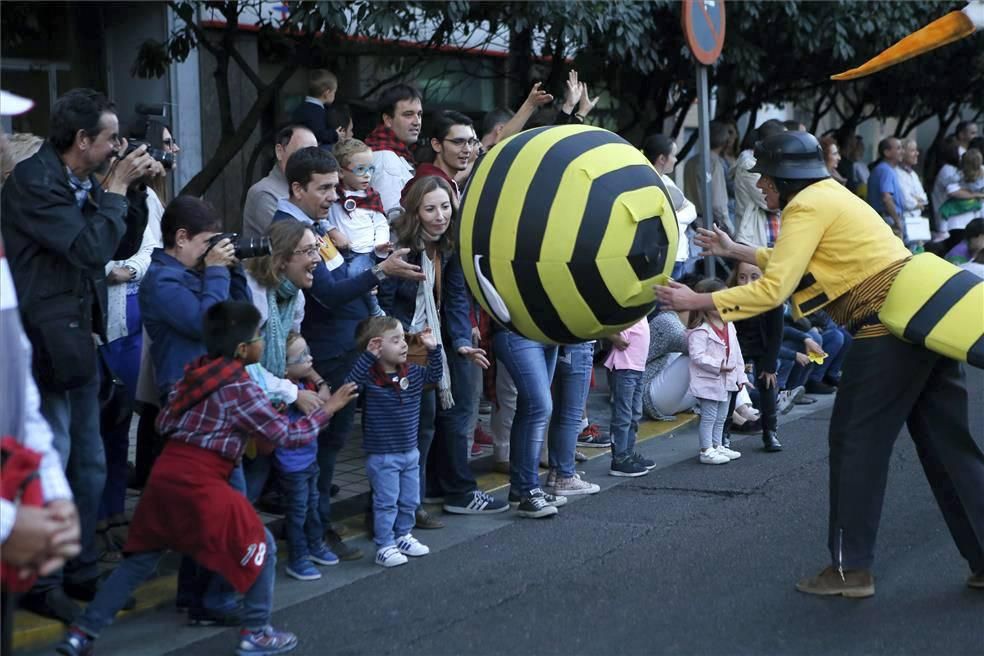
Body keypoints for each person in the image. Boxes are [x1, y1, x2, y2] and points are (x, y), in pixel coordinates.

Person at [655, 130, 984, 596]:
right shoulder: (830, 194)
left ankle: (850, 572)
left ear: (786, 178)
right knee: (949, 444)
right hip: (924, 311)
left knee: (854, 442)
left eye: (765, 177)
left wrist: (697, 298)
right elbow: (799, 261)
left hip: (886, 328)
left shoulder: (804, 206)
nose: (762, 186)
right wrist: (736, 250)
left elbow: (776, 288)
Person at [55, 301, 358, 656]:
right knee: (262, 546)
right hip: (203, 480)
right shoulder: (239, 388)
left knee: (139, 560)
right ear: (243, 349)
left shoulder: (196, 371)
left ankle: (81, 634)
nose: (263, 340)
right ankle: (257, 631)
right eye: (258, 336)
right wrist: (330, 408)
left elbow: (163, 422)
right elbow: (288, 436)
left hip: (166, 475)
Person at [1, 88, 156, 622]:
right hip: (42, 342)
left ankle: (82, 570)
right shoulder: (33, 183)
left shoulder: (84, 179)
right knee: (55, 460)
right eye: (110, 139)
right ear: (83, 140)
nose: (118, 147)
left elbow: (117, 244)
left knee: (88, 465)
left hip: (78, 338)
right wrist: (113, 188)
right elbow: (87, 249)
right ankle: (45, 583)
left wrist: (131, 192)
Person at [270, 146, 425, 560]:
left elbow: (339, 273)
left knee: (330, 448)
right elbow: (330, 293)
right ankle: (311, 534)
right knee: (320, 449)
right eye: (324, 189)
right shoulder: (289, 228)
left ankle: (315, 528)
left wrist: (372, 264)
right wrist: (380, 271)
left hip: (342, 347)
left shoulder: (313, 226)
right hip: (325, 351)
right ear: (298, 187)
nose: (333, 197)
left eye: (335, 187)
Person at [140, 195, 259, 623]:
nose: (213, 250)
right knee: (228, 501)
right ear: (181, 238)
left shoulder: (197, 271)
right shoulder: (162, 281)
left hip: (215, 396)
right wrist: (213, 272)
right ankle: (215, 601)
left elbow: (241, 321)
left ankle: (197, 596)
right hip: (192, 401)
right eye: (208, 242)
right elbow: (205, 326)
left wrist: (233, 270)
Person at [378, 176, 505, 523]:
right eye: (430, 208)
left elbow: (456, 297)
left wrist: (462, 342)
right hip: (406, 345)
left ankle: (434, 490)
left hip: (435, 342)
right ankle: (413, 503)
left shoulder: (447, 244)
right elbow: (385, 304)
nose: (440, 215)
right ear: (415, 211)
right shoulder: (401, 247)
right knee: (422, 425)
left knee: (445, 416)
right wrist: (404, 340)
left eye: (445, 207)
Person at [240, 219, 329, 503]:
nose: (317, 258)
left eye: (317, 249)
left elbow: (292, 350)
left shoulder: (294, 296)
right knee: (243, 488)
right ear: (281, 260)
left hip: (271, 402)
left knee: (256, 478)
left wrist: (318, 381)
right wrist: (294, 394)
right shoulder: (252, 294)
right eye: (308, 251)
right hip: (244, 403)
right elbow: (245, 366)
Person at [346, 317, 442, 567]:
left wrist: (434, 349)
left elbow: (435, 375)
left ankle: (403, 536)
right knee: (386, 503)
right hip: (383, 455)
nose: (404, 345)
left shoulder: (413, 372)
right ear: (376, 346)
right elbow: (351, 385)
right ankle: (384, 544)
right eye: (395, 340)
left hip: (410, 451)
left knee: (409, 500)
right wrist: (367, 357)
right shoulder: (369, 377)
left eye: (403, 339)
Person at [275, 333, 341, 580]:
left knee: (311, 506)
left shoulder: (303, 386)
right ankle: (297, 557)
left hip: (309, 460)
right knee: (297, 512)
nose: (310, 358)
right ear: (283, 366)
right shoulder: (285, 396)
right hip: (291, 466)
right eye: (302, 356)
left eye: (308, 351)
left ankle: (315, 546)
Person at [327, 138, 390, 317]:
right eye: (360, 170)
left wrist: (381, 243)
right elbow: (323, 220)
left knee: (356, 274)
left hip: (364, 252)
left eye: (370, 169)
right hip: (339, 252)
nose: (367, 175)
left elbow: (380, 222)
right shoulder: (333, 196)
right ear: (340, 172)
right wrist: (333, 231)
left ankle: (375, 311)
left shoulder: (371, 197)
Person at [685, 279, 746, 465]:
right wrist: (718, 364)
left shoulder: (730, 325)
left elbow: (737, 353)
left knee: (721, 416)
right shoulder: (700, 331)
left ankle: (717, 445)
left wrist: (741, 376)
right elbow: (697, 356)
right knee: (709, 416)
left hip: (727, 379)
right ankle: (706, 450)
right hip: (709, 380)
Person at [728, 262, 783, 452]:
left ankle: (770, 433)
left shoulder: (773, 298)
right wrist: (736, 364)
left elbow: (777, 334)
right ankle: (723, 434)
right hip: (737, 347)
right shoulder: (731, 297)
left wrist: (770, 366)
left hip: (763, 347)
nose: (747, 282)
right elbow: (728, 330)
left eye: (754, 276)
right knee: (731, 385)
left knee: (768, 382)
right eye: (742, 277)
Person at [543, 341, 602, 496]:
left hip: (559, 345)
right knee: (572, 416)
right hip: (579, 345)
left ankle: (556, 471)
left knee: (559, 413)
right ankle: (565, 477)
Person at [242, 124, 318, 239]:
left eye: (315, 153)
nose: (311, 160)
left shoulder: (311, 186)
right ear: (280, 151)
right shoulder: (263, 193)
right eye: (302, 153)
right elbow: (295, 242)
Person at [604, 317, 655, 477]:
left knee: (634, 414)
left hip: (637, 368)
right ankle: (619, 458)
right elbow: (604, 322)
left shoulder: (641, 311)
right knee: (623, 415)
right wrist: (614, 337)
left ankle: (628, 453)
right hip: (624, 367)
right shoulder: (627, 308)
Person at [642, 134, 698, 278]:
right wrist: (676, 220)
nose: (676, 159)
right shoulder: (652, 184)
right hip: (667, 257)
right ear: (662, 159)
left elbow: (691, 209)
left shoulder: (665, 180)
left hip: (674, 254)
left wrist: (673, 219)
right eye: (673, 155)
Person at [365, 84, 422, 218]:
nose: (417, 121)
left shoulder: (392, 152)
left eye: (419, 114)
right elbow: (392, 217)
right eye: (408, 115)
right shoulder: (386, 158)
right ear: (388, 120)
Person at [401, 110, 477, 202]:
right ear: (436, 145)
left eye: (470, 142)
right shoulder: (429, 186)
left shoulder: (442, 181)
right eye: (458, 142)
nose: (468, 149)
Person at [731, 119, 786, 247]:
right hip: (754, 233)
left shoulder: (764, 160)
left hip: (768, 229)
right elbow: (768, 201)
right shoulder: (748, 164)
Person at [641, 305, 695, 421]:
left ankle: (743, 411)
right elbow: (700, 348)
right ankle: (734, 417)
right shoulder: (666, 321)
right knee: (699, 357)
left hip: (675, 399)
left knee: (724, 363)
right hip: (648, 398)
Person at [684, 120, 733, 234]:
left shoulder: (690, 162)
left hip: (693, 225)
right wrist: (730, 228)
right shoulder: (714, 163)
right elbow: (718, 204)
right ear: (724, 142)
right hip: (711, 227)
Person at [867, 137, 906, 239]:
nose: (902, 151)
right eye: (898, 148)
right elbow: (886, 198)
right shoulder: (885, 170)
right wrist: (897, 221)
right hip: (889, 220)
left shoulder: (885, 169)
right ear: (887, 152)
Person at [290, 69, 339, 148]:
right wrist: (335, 134)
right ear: (327, 93)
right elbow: (319, 134)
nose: (334, 95)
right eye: (334, 92)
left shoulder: (301, 107)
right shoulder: (316, 111)